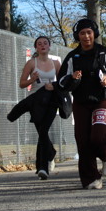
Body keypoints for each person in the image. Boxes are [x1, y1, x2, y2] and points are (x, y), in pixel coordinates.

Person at [57, 18, 106, 190]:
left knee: (97, 137)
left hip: (102, 100)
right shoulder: (72, 56)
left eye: (89, 33)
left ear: (94, 34)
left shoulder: (105, 53)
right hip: (80, 102)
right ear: (77, 36)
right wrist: (72, 78)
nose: (86, 36)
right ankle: (91, 179)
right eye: (82, 33)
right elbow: (61, 81)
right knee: (82, 140)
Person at [7, 36, 63, 180]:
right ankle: (50, 153)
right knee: (42, 132)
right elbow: (22, 84)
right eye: (39, 44)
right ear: (36, 47)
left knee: (43, 131)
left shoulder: (56, 63)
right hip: (36, 101)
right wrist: (32, 79)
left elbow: (63, 83)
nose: (43, 45)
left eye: (45, 43)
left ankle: (43, 168)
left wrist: (53, 86)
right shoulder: (32, 63)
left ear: (49, 46)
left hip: (51, 101)